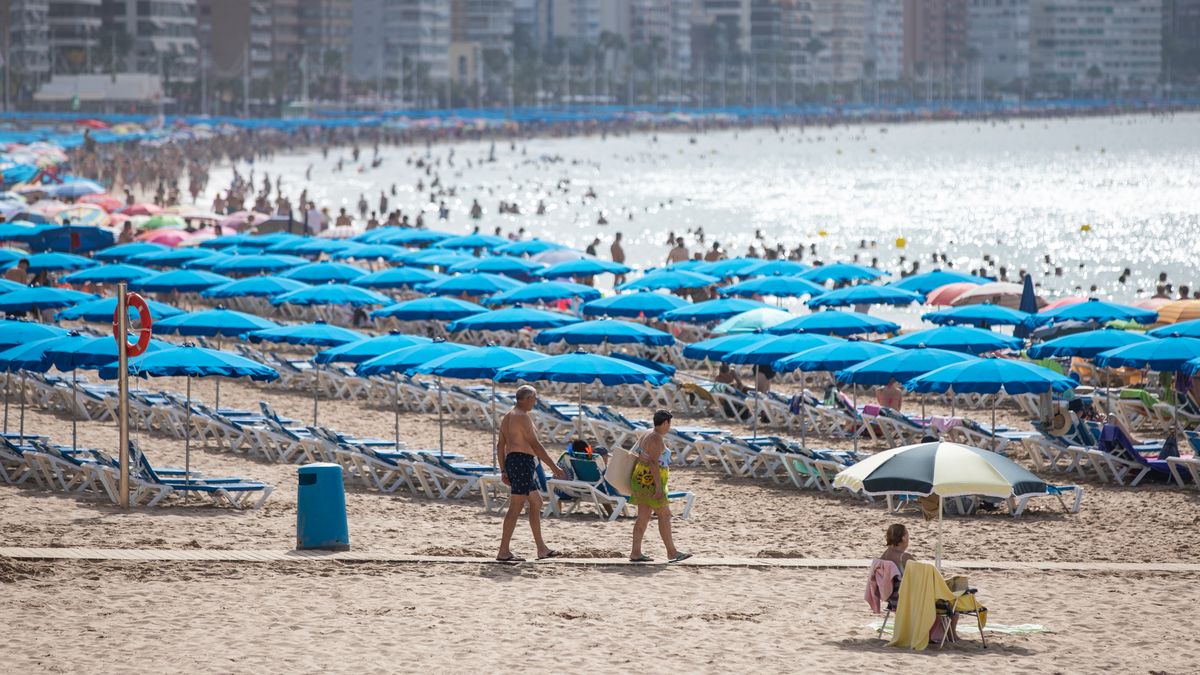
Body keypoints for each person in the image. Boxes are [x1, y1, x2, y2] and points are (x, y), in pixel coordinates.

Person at [496, 385, 565, 562]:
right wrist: (554, 467)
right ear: (527, 399)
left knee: (536, 502)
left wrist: (503, 469)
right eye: (534, 399)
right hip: (521, 462)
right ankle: (503, 551)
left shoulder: (507, 416)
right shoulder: (523, 417)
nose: (535, 402)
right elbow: (536, 446)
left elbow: (500, 446)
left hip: (515, 461)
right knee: (516, 506)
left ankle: (541, 549)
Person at [629, 410, 690, 563]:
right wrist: (658, 488)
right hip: (651, 481)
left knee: (643, 516)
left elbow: (637, 454)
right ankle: (672, 552)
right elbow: (653, 463)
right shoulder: (656, 438)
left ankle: (635, 552)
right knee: (664, 515)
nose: (669, 427)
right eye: (669, 424)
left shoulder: (647, 433)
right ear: (665, 423)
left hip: (640, 479)